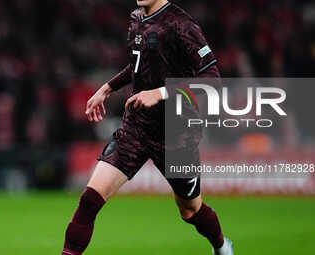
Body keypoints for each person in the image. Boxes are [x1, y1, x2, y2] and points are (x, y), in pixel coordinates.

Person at [62, 1, 233, 254]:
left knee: (190, 210)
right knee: (89, 200)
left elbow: (212, 78)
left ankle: (221, 246)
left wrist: (162, 93)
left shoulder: (182, 24)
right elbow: (140, 65)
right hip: (137, 127)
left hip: (177, 134)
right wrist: (106, 88)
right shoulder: (136, 18)